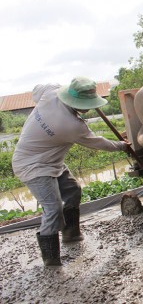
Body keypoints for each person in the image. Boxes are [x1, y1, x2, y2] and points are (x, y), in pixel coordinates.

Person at [12, 77, 130, 266]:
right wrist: (122, 146)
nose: (89, 108)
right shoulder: (71, 125)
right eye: (86, 104)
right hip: (32, 165)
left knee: (73, 190)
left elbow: (37, 89)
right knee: (53, 208)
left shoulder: (50, 91)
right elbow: (97, 142)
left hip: (51, 161)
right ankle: (51, 258)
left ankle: (71, 234)